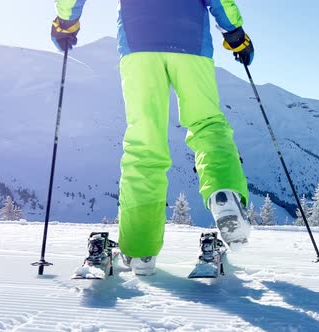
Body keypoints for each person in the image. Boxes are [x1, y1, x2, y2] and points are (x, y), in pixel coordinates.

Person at [51, 0, 254, 276]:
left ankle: (139, 249)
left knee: (144, 141)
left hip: (139, 42)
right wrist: (235, 34)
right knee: (207, 123)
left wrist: (66, 22)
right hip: (191, 43)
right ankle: (224, 193)